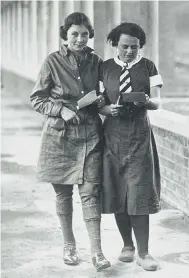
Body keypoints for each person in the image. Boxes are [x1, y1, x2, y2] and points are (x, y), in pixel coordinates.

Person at [29, 12, 110, 271]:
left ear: (89, 36)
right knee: (63, 193)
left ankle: (97, 252)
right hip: (59, 137)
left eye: (84, 34)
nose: (79, 39)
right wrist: (60, 110)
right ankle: (69, 246)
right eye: (74, 34)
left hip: (90, 135)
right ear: (65, 36)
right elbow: (37, 98)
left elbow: (106, 93)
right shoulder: (52, 62)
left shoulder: (96, 61)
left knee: (90, 193)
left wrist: (100, 100)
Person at [99, 22, 162, 271]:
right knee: (117, 190)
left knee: (138, 192)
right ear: (116, 45)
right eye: (124, 46)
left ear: (140, 47)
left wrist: (147, 101)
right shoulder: (105, 68)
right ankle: (127, 245)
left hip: (139, 134)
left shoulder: (148, 66)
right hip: (112, 134)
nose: (129, 51)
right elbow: (98, 101)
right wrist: (106, 108)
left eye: (134, 47)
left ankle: (144, 252)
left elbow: (158, 102)